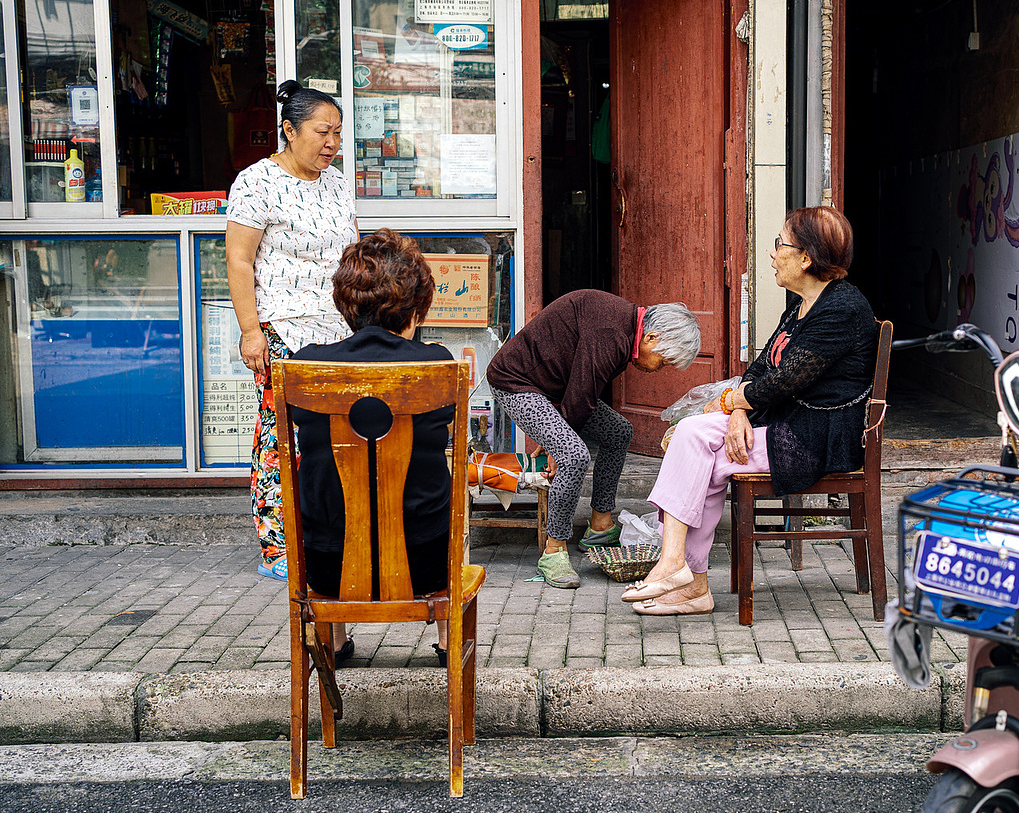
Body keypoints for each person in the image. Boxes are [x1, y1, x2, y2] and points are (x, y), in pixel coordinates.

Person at [623, 206, 877, 615]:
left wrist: (729, 402)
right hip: (782, 423)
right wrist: (738, 412)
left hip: (814, 441)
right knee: (694, 440)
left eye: (780, 244)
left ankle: (681, 572)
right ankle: (685, 577)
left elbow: (784, 382)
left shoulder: (841, 309)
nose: (773, 253)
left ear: (806, 258)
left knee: (694, 445)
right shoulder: (801, 304)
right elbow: (760, 369)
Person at [290, 229, 452, 667]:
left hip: (328, 567)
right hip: (424, 564)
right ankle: (445, 639)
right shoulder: (437, 365)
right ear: (416, 305)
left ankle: (335, 642)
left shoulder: (307, 365)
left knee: (327, 488)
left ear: (346, 304)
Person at [226, 79, 356, 582]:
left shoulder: (338, 181)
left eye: (338, 134)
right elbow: (239, 261)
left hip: (338, 330)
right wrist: (250, 331)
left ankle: (328, 531)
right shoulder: (256, 183)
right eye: (323, 132)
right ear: (289, 130)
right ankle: (277, 543)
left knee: (335, 433)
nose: (332, 144)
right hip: (280, 327)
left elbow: (352, 251)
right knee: (282, 436)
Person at [486, 291, 701, 588]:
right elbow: (581, 395)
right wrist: (557, 441)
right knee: (573, 455)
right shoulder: (612, 333)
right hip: (516, 382)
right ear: (651, 338)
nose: (656, 370)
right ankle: (554, 550)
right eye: (662, 362)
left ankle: (600, 525)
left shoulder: (625, 330)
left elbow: (581, 391)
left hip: (555, 390)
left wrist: (555, 430)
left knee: (618, 431)